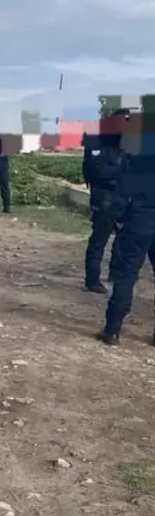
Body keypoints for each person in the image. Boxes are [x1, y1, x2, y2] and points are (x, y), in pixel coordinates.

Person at [97, 114, 155, 345]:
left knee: (126, 276)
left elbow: (121, 198)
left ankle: (112, 330)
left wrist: (118, 220)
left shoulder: (134, 162)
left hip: (137, 223)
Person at [82, 123, 126, 293]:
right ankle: (92, 280)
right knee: (99, 239)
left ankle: (115, 273)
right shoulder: (97, 143)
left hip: (121, 197)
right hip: (104, 199)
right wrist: (124, 170)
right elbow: (100, 172)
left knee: (122, 238)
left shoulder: (123, 144)